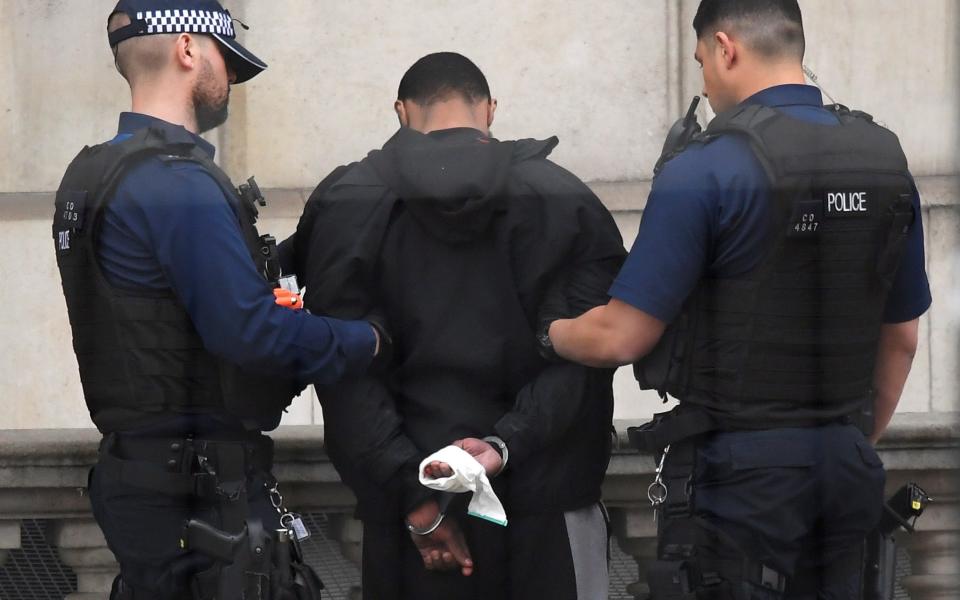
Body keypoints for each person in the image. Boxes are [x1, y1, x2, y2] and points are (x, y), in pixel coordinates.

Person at [546, 0, 931, 598]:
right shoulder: (884, 160)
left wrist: (549, 332)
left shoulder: (706, 168)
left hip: (739, 477)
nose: (705, 81)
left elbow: (621, 335)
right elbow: (902, 339)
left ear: (726, 49)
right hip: (846, 464)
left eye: (702, 62)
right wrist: (845, 444)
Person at [52, 1, 382, 598]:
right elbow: (248, 332)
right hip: (201, 493)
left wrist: (283, 259)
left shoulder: (92, 174)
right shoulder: (176, 181)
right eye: (225, 61)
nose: (229, 79)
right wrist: (372, 339)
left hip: (146, 479)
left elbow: (157, 301)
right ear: (187, 50)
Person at [293, 52, 626, 599]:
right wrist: (502, 444)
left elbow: (342, 370)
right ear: (490, 111)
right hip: (545, 503)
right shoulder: (562, 200)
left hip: (413, 517)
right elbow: (589, 354)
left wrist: (417, 495)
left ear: (401, 112)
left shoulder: (348, 203)